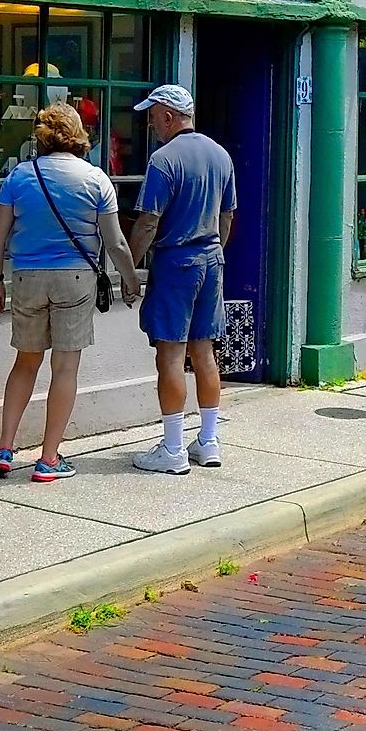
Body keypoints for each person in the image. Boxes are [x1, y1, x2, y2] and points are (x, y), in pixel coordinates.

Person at [0, 103, 137, 483]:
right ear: (79, 134)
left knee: (25, 362)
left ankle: (4, 446)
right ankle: (48, 458)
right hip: (74, 278)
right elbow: (114, 241)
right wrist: (130, 279)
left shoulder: (20, 176)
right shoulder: (96, 179)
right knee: (65, 368)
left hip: (28, 276)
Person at [126, 83, 236, 475]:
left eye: (153, 116)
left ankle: (172, 447)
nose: (151, 123)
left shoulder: (163, 159)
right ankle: (208, 440)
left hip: (175, 261)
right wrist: (216, 250)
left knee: (170, 354)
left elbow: (148, 222)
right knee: (203, 351)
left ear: (169, 116)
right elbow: (226, 217)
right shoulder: (220, 155)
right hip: (211, 259)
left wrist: (127, 268)